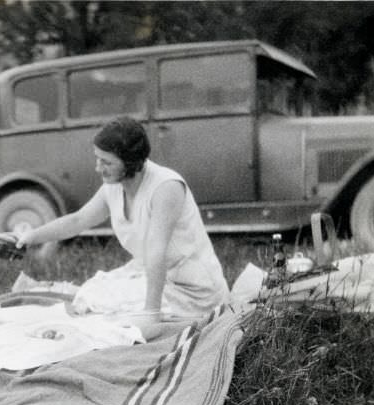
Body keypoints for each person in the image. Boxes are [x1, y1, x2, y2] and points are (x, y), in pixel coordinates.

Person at [16, 116, 229, 323]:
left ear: (130, 162)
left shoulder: (166, 187)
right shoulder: (114, 187)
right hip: (154, 275)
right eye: (98, 159)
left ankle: (47, 295)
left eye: (106, 162)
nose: (98, 168)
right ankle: (45, 294)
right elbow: (78, 220)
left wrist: (150, 314)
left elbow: (157, 251)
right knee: (94, 290)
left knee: (104, 309)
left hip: (192, 291)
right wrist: (32, 237)